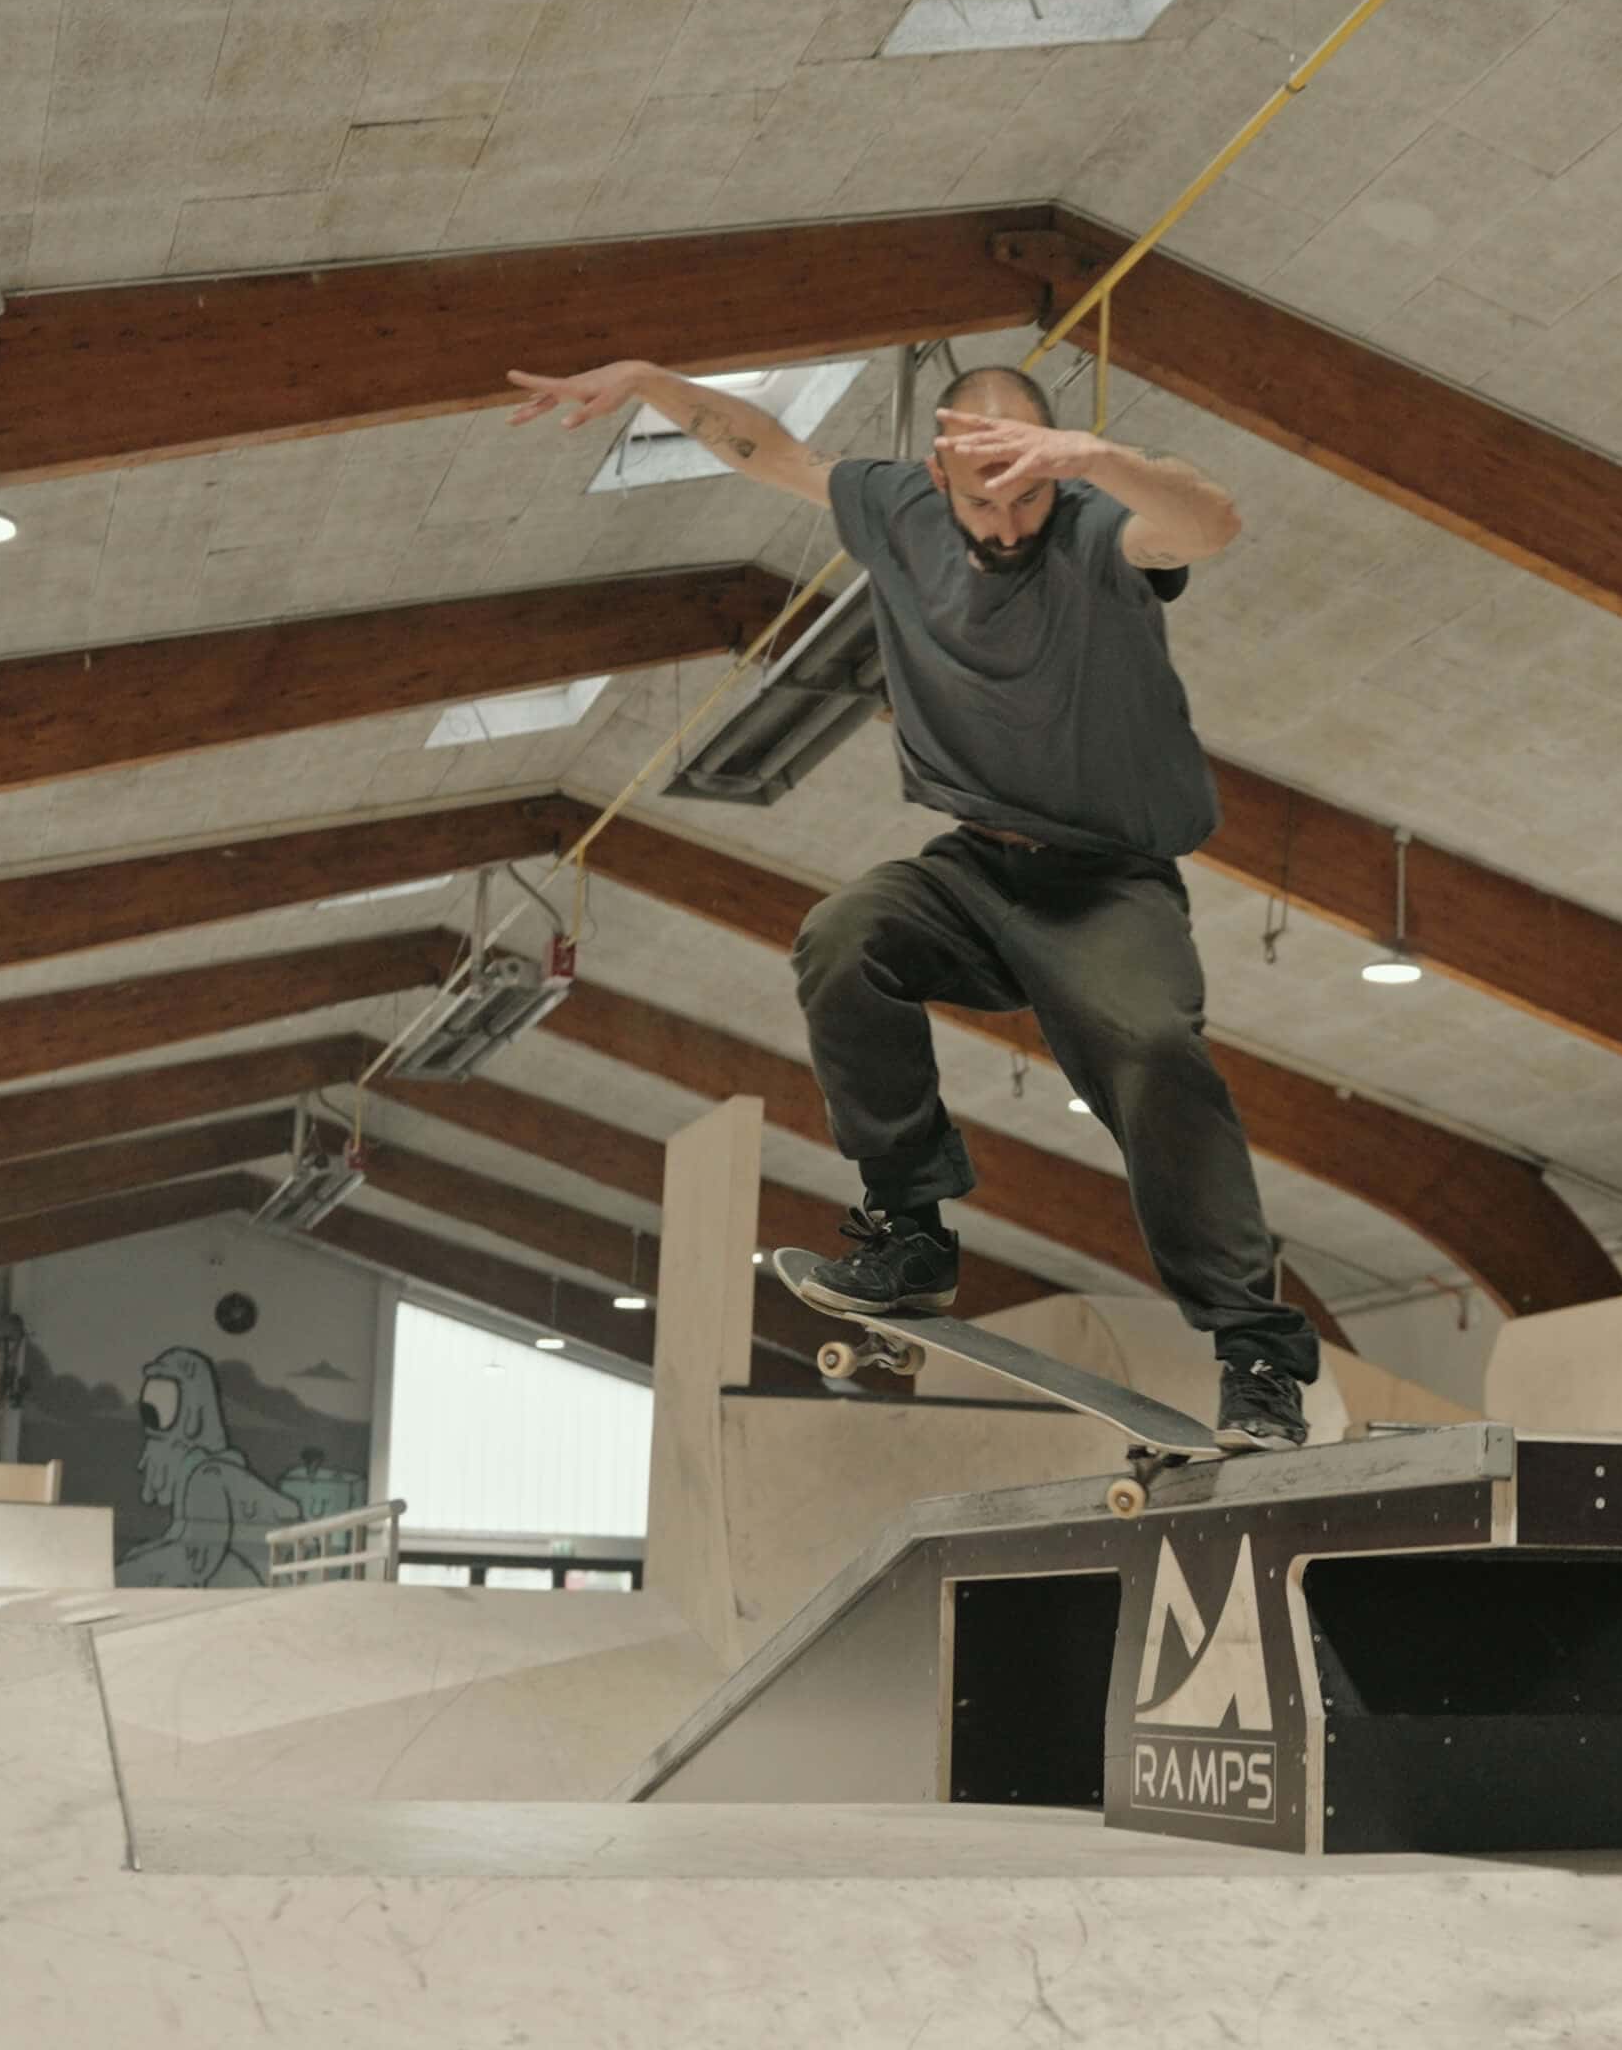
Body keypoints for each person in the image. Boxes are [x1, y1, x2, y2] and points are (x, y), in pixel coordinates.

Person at [504, 356, 1319, 1447]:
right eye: (985, 500)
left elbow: (1209, 525)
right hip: (974, 872)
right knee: (845, 938)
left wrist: (1099, 462)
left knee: (1156, 1054)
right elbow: (774, 451)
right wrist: (655, 381)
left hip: (1107, 884)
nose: (1010, 521)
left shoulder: (1091, 524)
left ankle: (1256, 1353)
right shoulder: (893, 508)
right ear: (937, 477)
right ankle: (910, 1231)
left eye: (1029, 492)